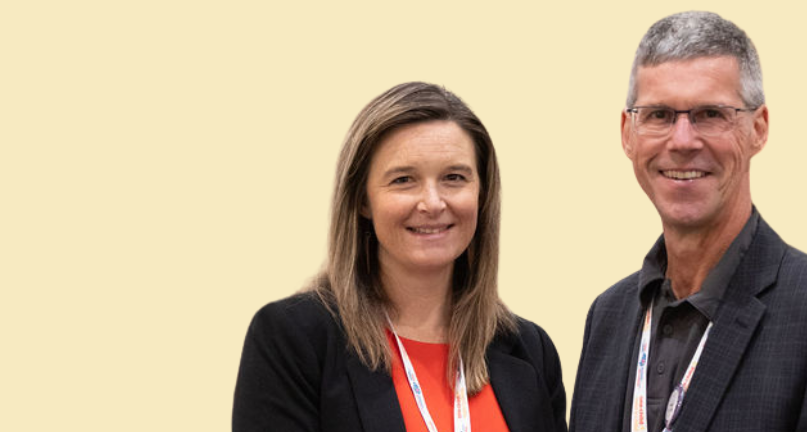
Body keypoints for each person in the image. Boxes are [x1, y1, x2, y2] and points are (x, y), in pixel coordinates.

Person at [570, 12, 807, 432]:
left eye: (710, 114)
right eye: (659, 115)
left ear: (759, 128)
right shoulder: (608, 318)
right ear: (628, 132)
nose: (682, 141)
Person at [234, 82, 567, 432]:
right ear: (362, 200)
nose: (433, 203)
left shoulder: (529, 351)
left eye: (454, 177)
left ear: (482, 194)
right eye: (404, 180)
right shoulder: (294, 340)